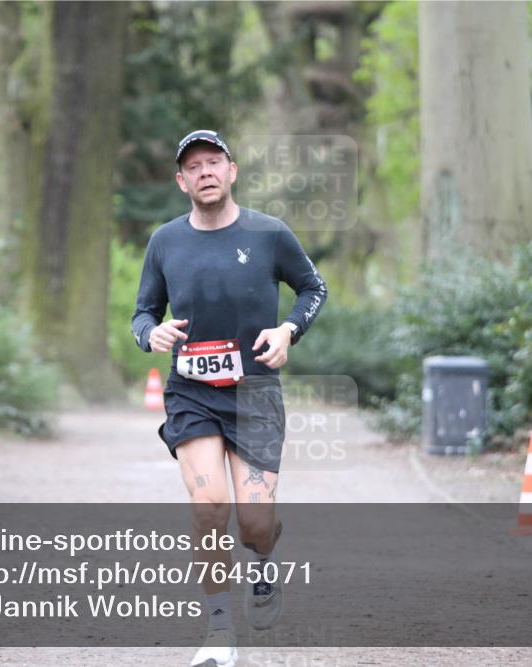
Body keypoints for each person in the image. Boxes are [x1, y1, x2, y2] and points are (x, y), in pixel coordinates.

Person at [131, 129, 328, 667]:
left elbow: (314, 288)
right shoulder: (165, 241)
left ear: (232, 170)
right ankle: (219, 631)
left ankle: (263, 560)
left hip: (256, 392)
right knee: (209, 504)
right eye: (193, 167)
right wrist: (152, 334)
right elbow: (142, 313)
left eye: (213, 162)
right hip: (192, 392)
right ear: (181, 181)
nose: (205, 172)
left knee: (256, 521)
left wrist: (288, 331)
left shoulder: (269, 234)